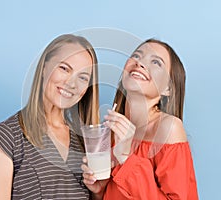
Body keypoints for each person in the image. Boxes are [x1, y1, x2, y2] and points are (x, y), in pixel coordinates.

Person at [0, 34, 100, 199]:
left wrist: (99, 190)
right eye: (64, 68)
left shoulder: (83, 141)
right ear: (44, 67)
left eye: (82, 77)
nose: (72, 84)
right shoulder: (8, 138)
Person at [82, 39, 199, 199]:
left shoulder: (169, 128)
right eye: (137, 55)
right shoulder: (109, 130)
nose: (140, 63)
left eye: (156, 62)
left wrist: (126, 158)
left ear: (168, 88)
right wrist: (99, 191)